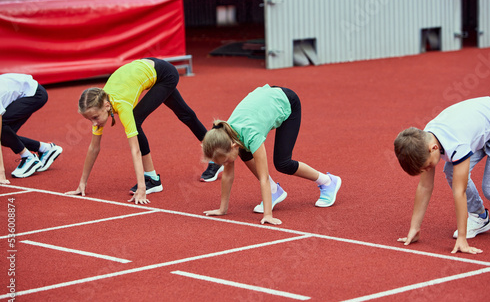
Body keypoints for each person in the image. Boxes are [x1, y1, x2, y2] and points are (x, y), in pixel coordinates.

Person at [66, 58, 221, 204]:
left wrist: (141, 187)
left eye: (94, 118)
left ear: (107, 107)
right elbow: (94, 147)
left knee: (138, 119)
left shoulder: (121, 106)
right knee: (185, 114)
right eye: (90, 120)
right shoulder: (99, 104)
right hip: (149, 69)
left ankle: (151, 179)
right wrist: (82, 184)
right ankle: (216, 154)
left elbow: (135, 150)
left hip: (164, 74)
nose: (94, 123)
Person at [202, 84, 342, 225]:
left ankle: (328, 181)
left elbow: (264, 178)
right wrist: (222, 209)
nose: (226, 164)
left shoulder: (252, 136)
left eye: (225, 161)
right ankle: (274, 191)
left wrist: (267, 215)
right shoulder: (225, 135)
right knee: (244, 152)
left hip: (288, 102)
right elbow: (227, 175)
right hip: (268, 100)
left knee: (283, 163)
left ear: (232, 146)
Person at [394, 96, 490, 254]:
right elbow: (425, 186)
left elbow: (460, 191)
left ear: (434, 148)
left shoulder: (457, 143)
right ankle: (480, 217)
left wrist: (462, 238)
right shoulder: (425, 139)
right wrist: (414, 228)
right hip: (483, 126)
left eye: (428, 166)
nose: (428, 170)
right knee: (451, 171)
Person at [0, 73, 63, 180]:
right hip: (25, 91)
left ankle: (29, 158)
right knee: (6, 136)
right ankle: (46, 149)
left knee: (2, 130)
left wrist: (1, 174)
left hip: (35, 94)